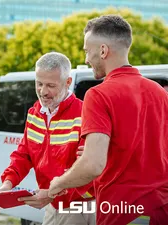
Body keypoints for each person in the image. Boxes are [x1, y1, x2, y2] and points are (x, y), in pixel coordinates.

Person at [48, 15, 168, 225]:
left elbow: (93, 165)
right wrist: (106, 150)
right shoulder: (160, 92)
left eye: (87, 51)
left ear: (103, 51)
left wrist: (59, 182)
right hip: (161, 210)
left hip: (122, 211)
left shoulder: (98, 95)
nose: (86, 59)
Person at [0, 52, 95, 225]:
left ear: (68, 82)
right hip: (53, 203)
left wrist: (50, 194)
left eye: (50, 85)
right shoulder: (34, 114)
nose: (43, 91)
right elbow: (23, 155)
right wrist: (8, 183)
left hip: (81, 205)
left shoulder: (85, 114)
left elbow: (86, 169)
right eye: (39, 84)